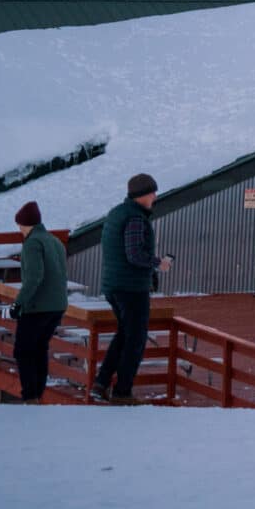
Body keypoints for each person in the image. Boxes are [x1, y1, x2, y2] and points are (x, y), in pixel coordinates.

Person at [92, 173, 173, 404]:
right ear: (142, 195)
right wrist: (159, 263)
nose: (155, 196)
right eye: (152, 192)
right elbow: (135, 254)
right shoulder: (136, 218)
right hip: (131, 289)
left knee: (124, 335)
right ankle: (122, 392)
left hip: (114, 285)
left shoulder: (117, 212)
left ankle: (101, 382)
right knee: (135, 340)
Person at [10, 201, 67, 403]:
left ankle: (30, 395)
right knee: (39, 348)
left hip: (37, 307)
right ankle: (37, 394)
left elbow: (34, 277)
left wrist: (18, 303)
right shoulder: (55, 241)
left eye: (20, 225)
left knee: (23, 350)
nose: (19, 230)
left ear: (26, 224)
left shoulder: (33, 243)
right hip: (57, 306)